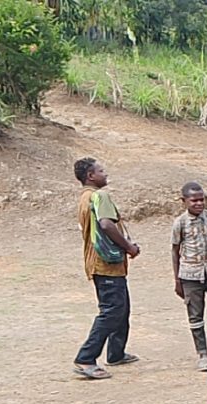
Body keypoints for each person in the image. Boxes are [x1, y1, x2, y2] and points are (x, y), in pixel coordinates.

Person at [73, 158, 140, 380]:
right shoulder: (100, 196)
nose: (106, 173)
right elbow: (106, 224)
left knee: (121, 308)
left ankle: (116, 352)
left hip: (99, 262)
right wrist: (129, 246)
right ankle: (86, 358)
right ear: (91, 176)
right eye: (101, 170)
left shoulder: (84, 197)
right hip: (106, 264)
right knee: (112, 311)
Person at [172, 181, 207, 372]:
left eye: (201, 199)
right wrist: (178, 279)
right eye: (193, 200)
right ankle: (202, 354)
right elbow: (175, 250)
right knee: (195, 316)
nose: (198, 203)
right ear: (184, 201)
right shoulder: (180, 223)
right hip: (189, 275)